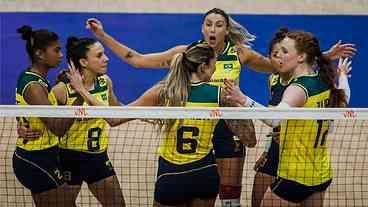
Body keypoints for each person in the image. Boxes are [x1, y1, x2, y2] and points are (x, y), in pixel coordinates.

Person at [85, 9, 356, 206]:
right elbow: (137, 59)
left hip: (228, 126)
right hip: (197, 126)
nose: (212, 29)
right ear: (203, 28)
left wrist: (322, 57)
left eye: (218, 25)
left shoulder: (240, 54)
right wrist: (103, 34)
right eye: (208, 24)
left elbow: (281, 65)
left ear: (226, 30)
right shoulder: (186, 54)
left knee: (229, 194)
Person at [66, 42, 256, 207]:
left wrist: (82, 90)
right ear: (203, 67)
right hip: (205, 174)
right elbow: (250, 139)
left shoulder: (165, 91)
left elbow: (114, 119)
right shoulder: (220, 94)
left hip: (172, 175)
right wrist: (236, 106)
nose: (216, 70)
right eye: (214, 65)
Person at [224, 30, 347, 207]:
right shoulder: (322, 80)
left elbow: (274, 120)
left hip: (295, 175)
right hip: (321, 174)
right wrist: (342, 75)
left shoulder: (297, 89)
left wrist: (242, 99)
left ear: (301, 57)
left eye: (285, 51)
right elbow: (344, 98)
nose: (278, 56)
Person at [52, 36, 126, 207]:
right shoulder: (62, 90)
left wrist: (146, 114)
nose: (106, 58)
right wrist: (23, 125)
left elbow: (116, 109)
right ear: (84, 62)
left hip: (97, 158)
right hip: (68, 159)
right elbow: (38, 114)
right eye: (99, 55)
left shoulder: (105, 82)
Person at [13, 25, 81, 207]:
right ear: (40, 54)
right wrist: (80, 96)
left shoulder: (37, 80)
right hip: (35, 159)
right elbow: (57, 129)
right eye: (56, 50)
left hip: (45, 155)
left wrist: (58, 82)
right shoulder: (34, 86)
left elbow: (28, 109)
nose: (61, 55)